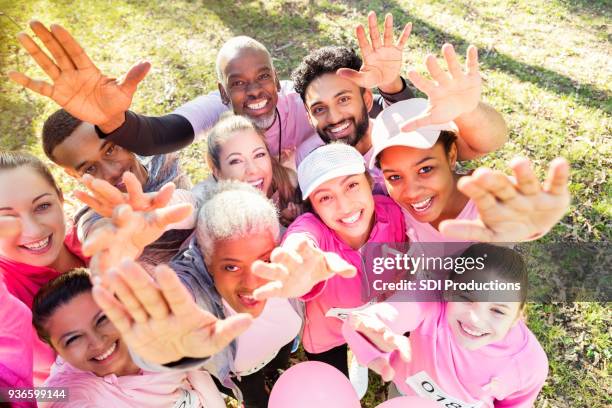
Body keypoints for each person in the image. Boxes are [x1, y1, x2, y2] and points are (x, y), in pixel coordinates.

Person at [9, 13, 413, 168]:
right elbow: (159, 135)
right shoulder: (215, 111)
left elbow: (378, 107)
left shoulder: (304, 101)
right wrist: (113, 120)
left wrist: (392, 84)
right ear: (223, 93)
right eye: (238, 84)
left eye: (262, 77)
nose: (254, 91)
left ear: (276, 77)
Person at [83, 182, 331, 407]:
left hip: (282, 346)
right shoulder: (193, 286)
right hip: (243, 375)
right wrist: (167, 352)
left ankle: (278, 369)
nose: (252, 282)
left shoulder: (286, 256)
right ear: (207, 262)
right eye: (231, 267)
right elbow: (171, 312)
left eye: (263, 260)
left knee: (280, 360)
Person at [343, 244, 548, 407]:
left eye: (497, 311)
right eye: (466, 297)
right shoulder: (431, 299)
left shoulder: (529, 365)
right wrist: (371, 325)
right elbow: (394, 312)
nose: (475, 319)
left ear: (517, 317)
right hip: (405, 392)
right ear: (448, 289)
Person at [291, 41, 509, 184]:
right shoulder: (308, 156)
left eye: (344, 99)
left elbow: (483, 144)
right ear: (308, 115)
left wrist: (467, 109)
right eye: (319, 109)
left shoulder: (401, 131)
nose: (334, 117)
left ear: (367, 99)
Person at [368, 98, 571, 245]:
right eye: (394, 177)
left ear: (451, 155)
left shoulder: (489, 197)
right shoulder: (390, 203)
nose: (411, 192)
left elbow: (522, 212)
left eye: (425, 169)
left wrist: (533, 224)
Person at [31, 268, 226, 408]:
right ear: (58, 352)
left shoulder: (154, 332)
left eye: (103, 319)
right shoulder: (72, 393)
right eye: (73, 339)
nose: (97, 343)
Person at [0, 151, 88, 385]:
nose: (33, 230)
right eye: (7, 219)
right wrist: (69, 398)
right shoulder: (4, 297)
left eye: (42, 206)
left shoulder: (94, 236)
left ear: (61, 198)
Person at [202, 114, 302, 226]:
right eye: (236, 161)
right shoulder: (218, 219)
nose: (253, 169)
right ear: (218, 173)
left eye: (259, 155)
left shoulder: (289, 183)